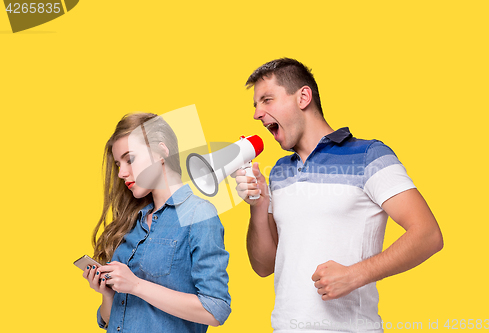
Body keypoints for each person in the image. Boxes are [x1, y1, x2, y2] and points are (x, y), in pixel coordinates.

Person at [234, 58, 443, 332]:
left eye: (267, 100)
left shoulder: (369, 155)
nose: (257, 114)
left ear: (303, 97)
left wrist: (355, 275)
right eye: (256, 105)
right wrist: (258, 205)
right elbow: (264, 266)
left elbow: (428, 234)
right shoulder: (279, 173)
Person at [82, 113, 231, 332]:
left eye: (129, 159)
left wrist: (136, 285)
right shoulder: (131, 222)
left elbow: (215, 309)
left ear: (161, 151)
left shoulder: (198, 214)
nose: (122, 173)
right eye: (118, 164)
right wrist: (107, 293)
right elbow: (109, 320)